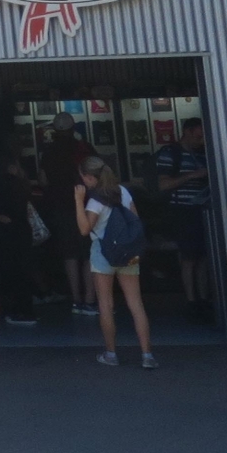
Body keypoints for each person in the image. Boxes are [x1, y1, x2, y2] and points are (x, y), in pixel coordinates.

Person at [75, 155, 156, 368]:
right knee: (136, 303)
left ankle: (111, 354)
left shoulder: (95, 201)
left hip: (103, 253)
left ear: (89, 177)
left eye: (83, 177)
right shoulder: (123, 192)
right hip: (128, 252)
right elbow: (134, 221)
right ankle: (147, 355)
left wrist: (78, 201)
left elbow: (84, 229)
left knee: (105, 304)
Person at [155, 117, 213, 321]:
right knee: (188, 257)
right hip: (181, 210)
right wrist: (192, 175)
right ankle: (191, 301)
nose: (201, 140)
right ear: (187, 132)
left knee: (203, 257)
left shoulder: (203, 153)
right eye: (198, 136)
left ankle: (203, 299)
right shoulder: (170, 153)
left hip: (202, 209)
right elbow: (163, 184)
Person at [38, 115, 95, 316]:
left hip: (61, 207)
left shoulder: (49, 152)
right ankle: (89, 300)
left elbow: (43, 180)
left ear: (55, 130)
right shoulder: (84, 148)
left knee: (69, 254)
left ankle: (76, 300)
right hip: (87, 206)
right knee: (89, 253)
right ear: (73, 128)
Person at [0, 156, 40, 327]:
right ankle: (25, 310)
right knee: (24, 271)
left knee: (9, 272)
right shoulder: (22, 184)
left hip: (5, 233)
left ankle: (13, 310)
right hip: (22, 231)